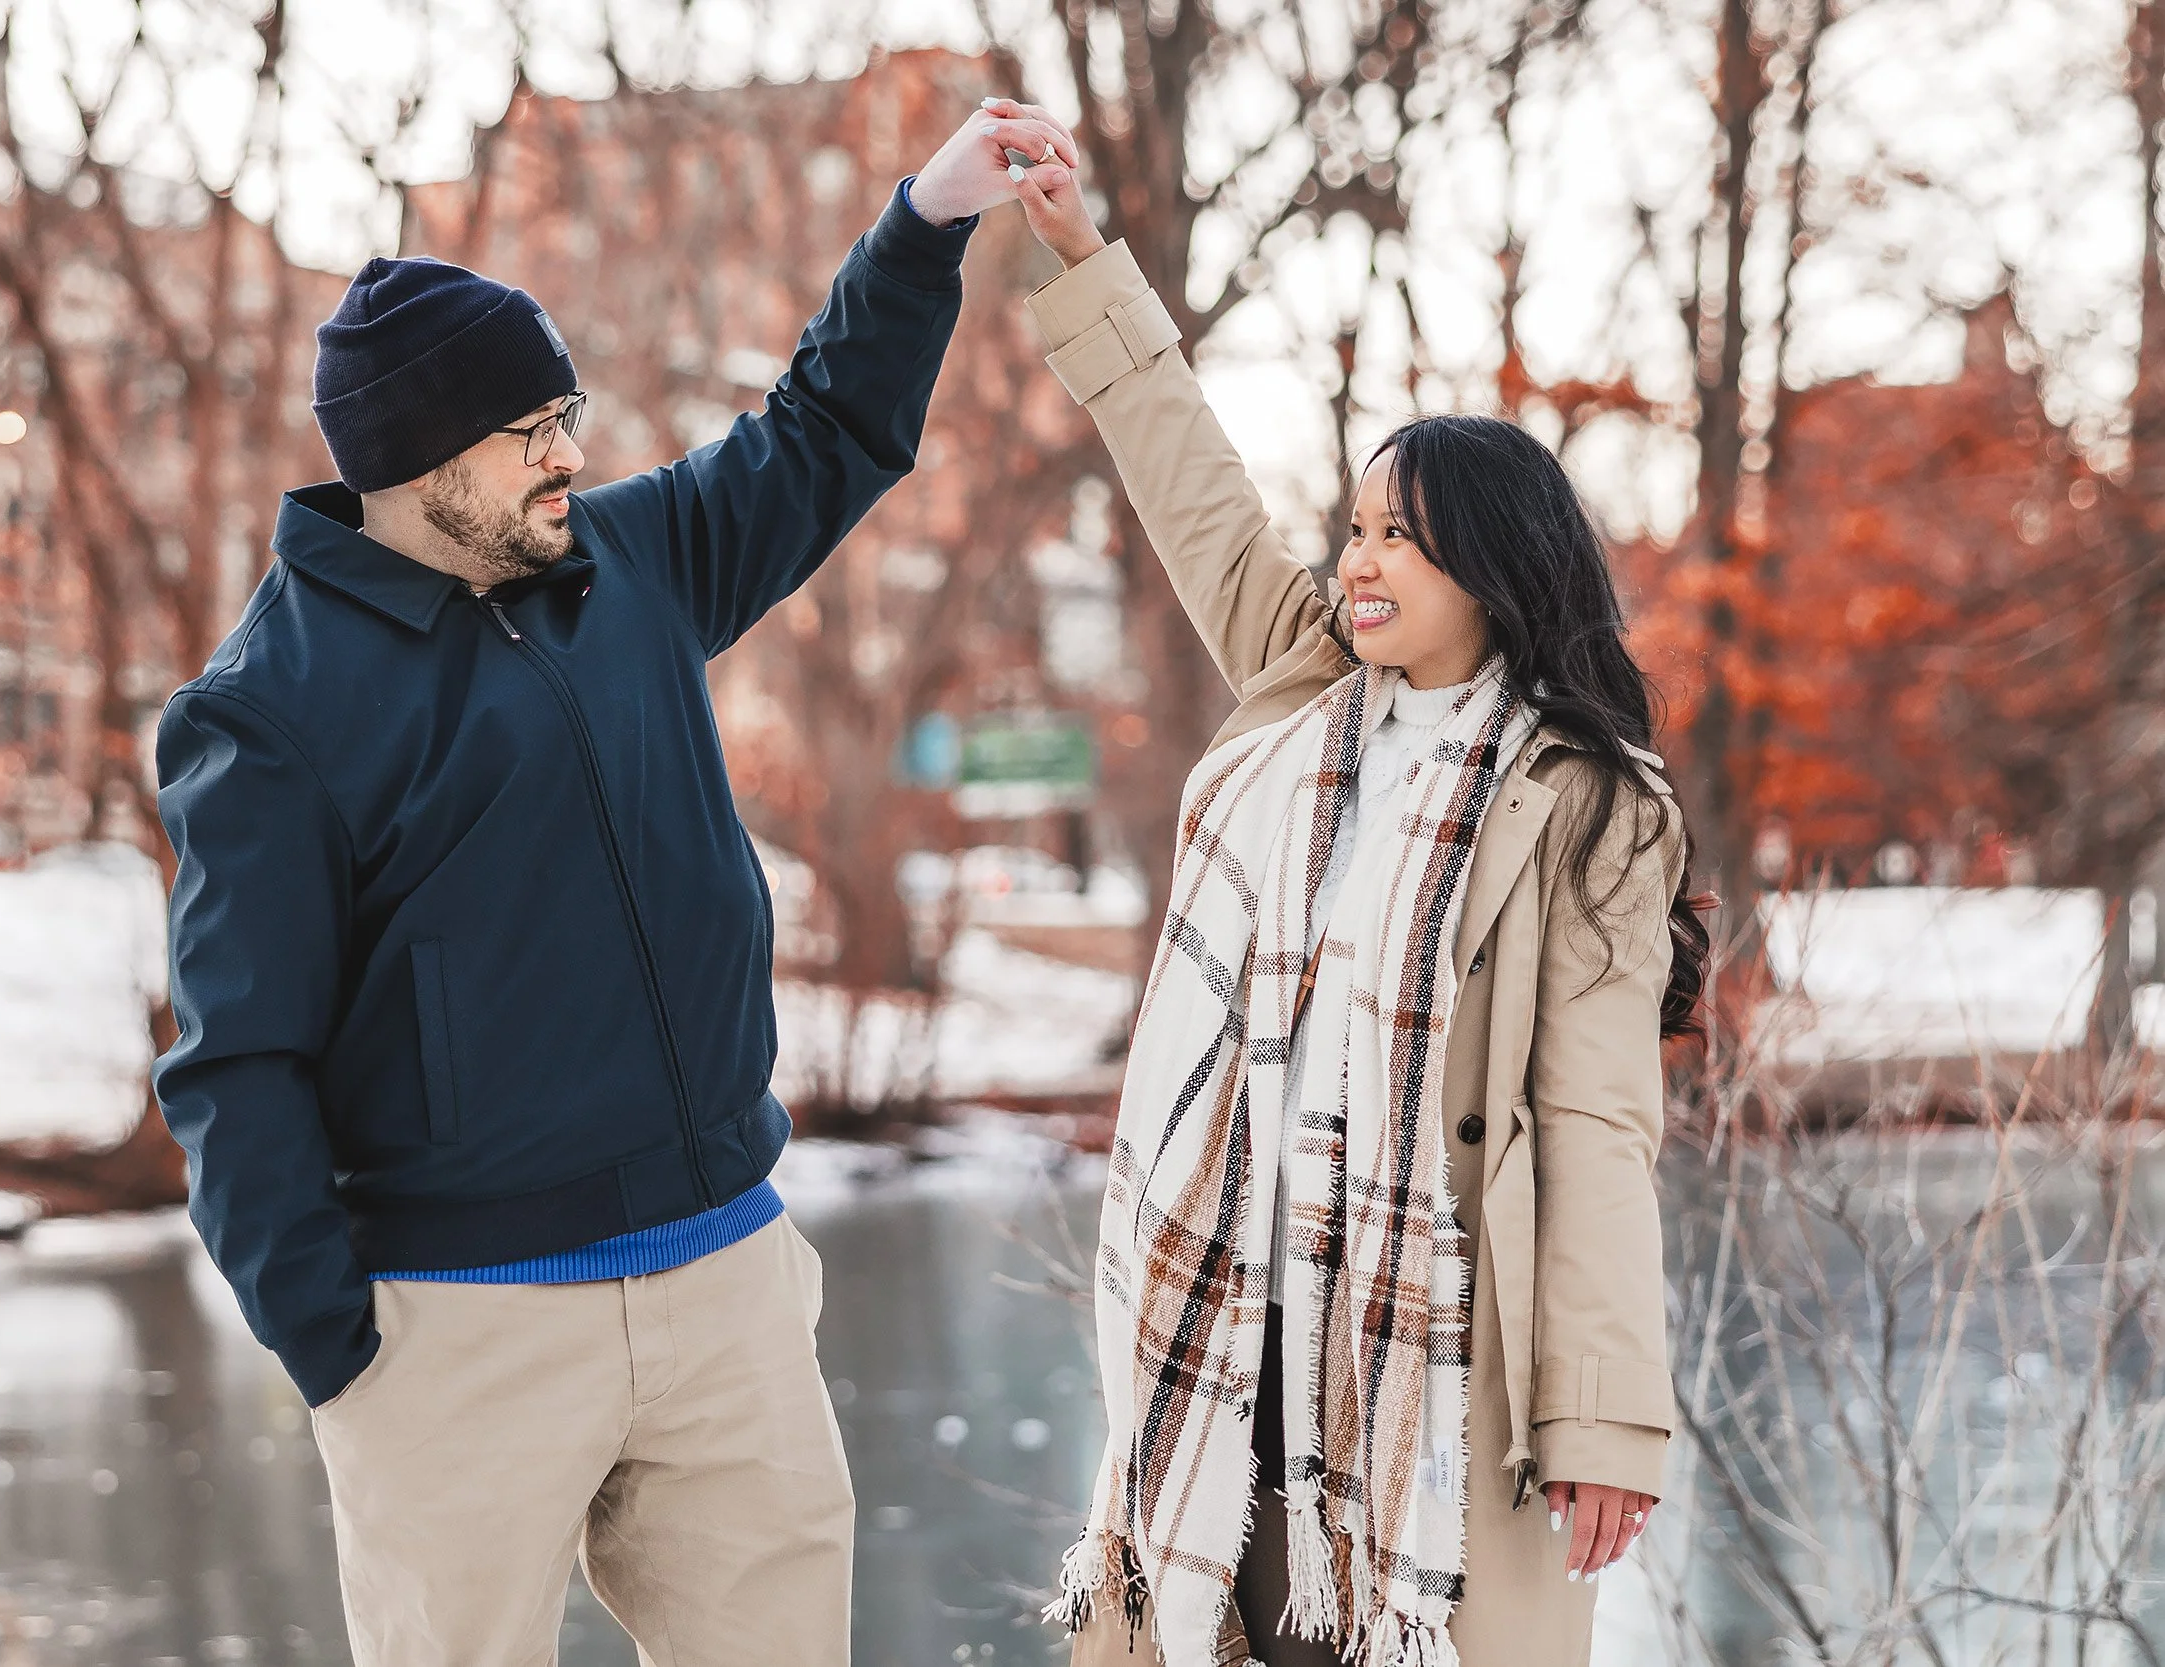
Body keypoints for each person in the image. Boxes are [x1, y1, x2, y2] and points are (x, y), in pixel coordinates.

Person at [151, 103, 1081, 1667]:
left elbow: (822, 432)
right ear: (420, 456)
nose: (570, 455)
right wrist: (344, 1351)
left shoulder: (624, 566)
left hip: (724, 1284)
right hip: (462, 1329)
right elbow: (236, 1063)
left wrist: (923, 226)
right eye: (530, 430)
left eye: (565, 415)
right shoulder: (269, 711)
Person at [1004, 133, 1711, 1667]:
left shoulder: (1584, 803)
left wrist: (1603, 1414)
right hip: (1230, 1340)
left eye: (1403, 534)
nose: (1362, 560)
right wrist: (1081, 259)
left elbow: (1595, 1124)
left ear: (1495, 567)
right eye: (1357, 528)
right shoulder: (1303, 695)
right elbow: (1191, 483)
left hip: (1434, 1364)